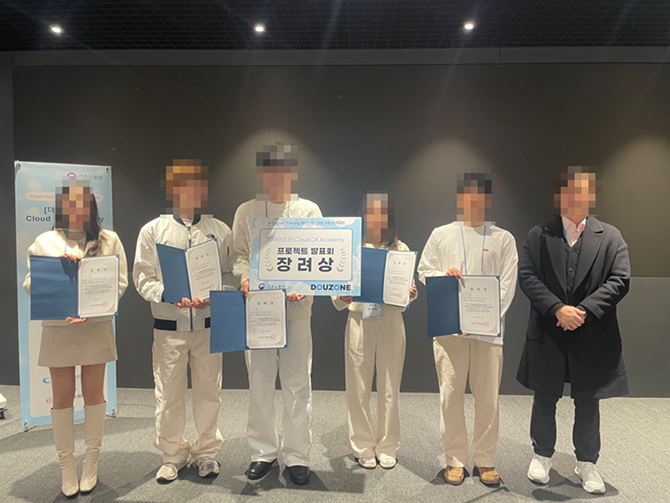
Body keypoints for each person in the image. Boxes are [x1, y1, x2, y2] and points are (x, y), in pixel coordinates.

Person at [517, 167, 630, 495]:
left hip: (591, 330)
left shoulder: (610, 236)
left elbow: (620, 279)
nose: (576, 197)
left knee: (588, 400)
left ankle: (587, 462)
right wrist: (557, 308)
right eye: (570, 191)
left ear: (591, 195)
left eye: (583, 191)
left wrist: (583, 311)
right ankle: (542, 455)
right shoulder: (539, 235)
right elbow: (527, 276)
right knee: (545, 395)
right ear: (560, 196)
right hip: (549, 329)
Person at [133, 160, 237, 483]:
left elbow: (232, 275)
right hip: (169, 327)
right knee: (168, 396)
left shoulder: (219, 230)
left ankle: (206, 452)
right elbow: (142, 277)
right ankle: (172, 454)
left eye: (196, 185)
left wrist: (215, 294)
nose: (190, 192)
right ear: (172, 189)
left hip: (207, 327)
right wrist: (167, 294)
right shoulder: (153, 231)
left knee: (209, 392)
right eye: (182, 186)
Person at [23, 179, 128, 497]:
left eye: (82, 204)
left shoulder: (109, 240)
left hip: (95, 327)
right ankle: (67, 466)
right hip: (59, 329)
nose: (75, 210)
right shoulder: (45, 242)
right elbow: (30, 284)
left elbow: (119, 282)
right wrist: (57, 271)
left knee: (94, 395)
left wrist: (95, 306)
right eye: (69, 204)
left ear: (91, 207)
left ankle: (91, 462)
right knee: (62, 397)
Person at [417, 172, 518, 486]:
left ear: (488, 199)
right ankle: (455, 459)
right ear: (460, 199)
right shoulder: (441, 234)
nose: (474, 201)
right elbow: (423, 270)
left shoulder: (504, 238)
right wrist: (442, 275)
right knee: (451, 395)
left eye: (481, 196)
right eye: (468, 195)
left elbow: (508, 286)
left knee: (488, 398)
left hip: (489, 333)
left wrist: (486, 321)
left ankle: (485, 459)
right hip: (450, 330)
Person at [230, 143, 322, 485]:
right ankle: (263, 452)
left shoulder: (308, 211)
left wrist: (305, 285)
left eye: (283, 169)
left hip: (297, 310)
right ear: (262, 173)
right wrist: (245, 278)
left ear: (292, 172)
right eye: (270, 170)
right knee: (260, 382)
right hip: (260, 310)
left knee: (298, 384)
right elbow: (239, 256)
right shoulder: (247, 211)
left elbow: (318, 257)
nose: (277, 176)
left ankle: (297, 455)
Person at [332, 192, 417, 470]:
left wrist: (410, 293)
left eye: (382, 213)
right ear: (364, 215)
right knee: (358, 387)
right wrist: (341, 297)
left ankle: (388, 445)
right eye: (372, 212)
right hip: (360, 320)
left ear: (389, 218)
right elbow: (337, 286)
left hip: (391, 320)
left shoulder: (401, 248)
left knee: (391, 386)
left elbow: (408, 289)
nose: (377, 218)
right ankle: (363, 445)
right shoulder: (351, 247)